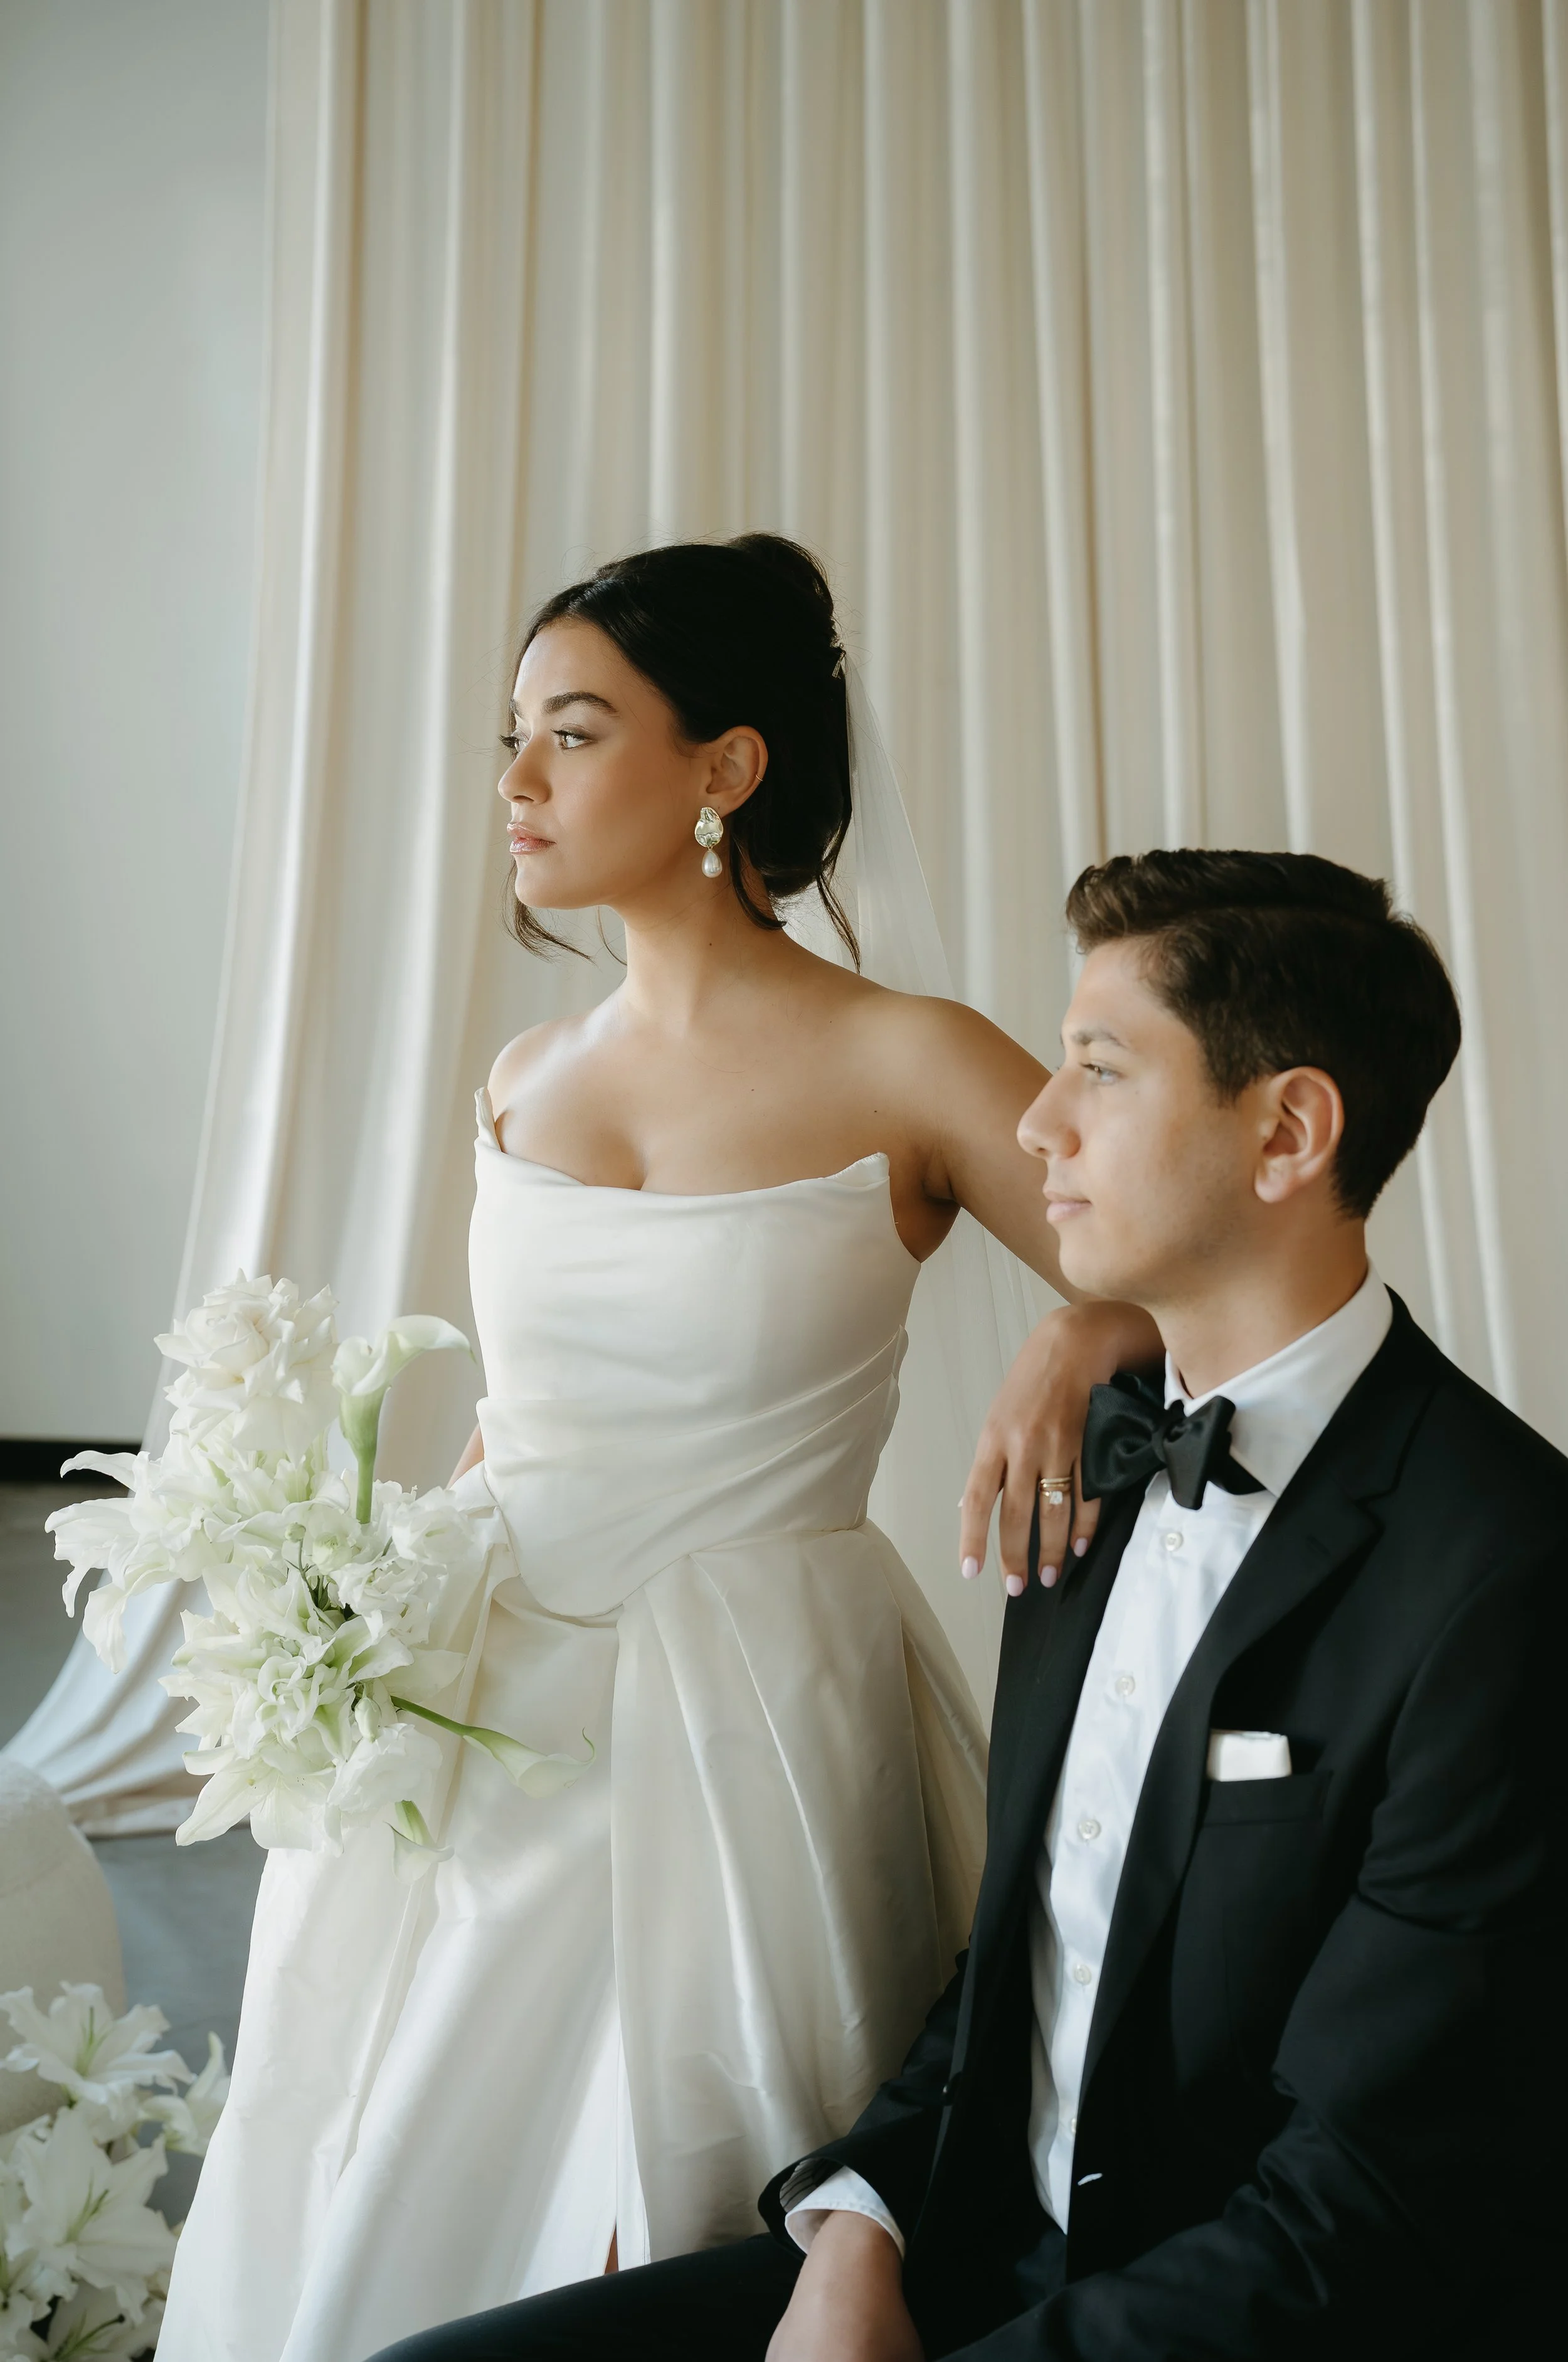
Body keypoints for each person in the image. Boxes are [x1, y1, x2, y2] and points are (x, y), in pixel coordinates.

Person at [157, 536, 1157, 2362]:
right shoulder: (522, 1076)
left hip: (754, 1714)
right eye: (515, 737)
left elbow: (1180, 1267)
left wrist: (1079, 1328)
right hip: (490, 1696)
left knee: (694, 2198)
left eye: (573, 730)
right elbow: (526, 1413)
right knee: (396, 2168)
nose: (517, 782)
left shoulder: (909, 1058)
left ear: (724, 766)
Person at [378, 846, 1565, 2359]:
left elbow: (1363, 2213)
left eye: (1098, 1069)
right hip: (959, 2245)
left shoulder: (1500, 1570)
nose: (1034, 1119)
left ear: (1285, 1132)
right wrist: (853, 2231)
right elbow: (1028, 1951)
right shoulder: (1089, 1457)